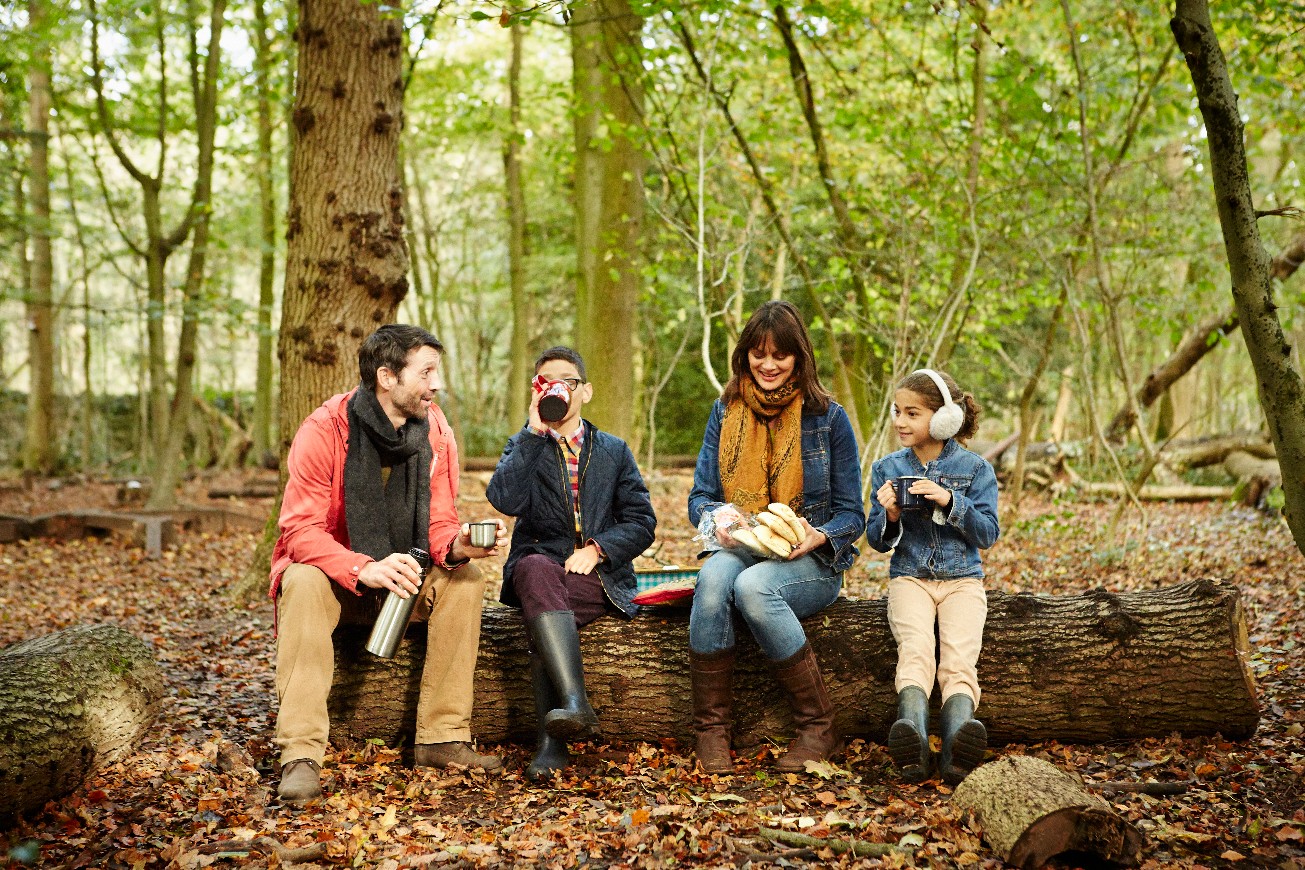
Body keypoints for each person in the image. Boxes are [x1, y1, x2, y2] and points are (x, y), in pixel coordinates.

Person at [270, 324, 506, 806]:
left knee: (466, 580)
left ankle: (441, 737)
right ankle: (300, 753)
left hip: (408, 575)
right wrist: (362, 568)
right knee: (300, 577)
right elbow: (299, 532)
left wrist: (459, 546)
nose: (435, 383)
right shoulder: (325, 429)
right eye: (426, 372)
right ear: (386, 377)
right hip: (339, 581)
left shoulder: (436, 429)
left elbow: (440, 521)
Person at [686, 301, 866, 775]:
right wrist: (718, 518)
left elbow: (853, 514)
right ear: (744, 355)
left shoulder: (829, 418)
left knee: (753, 587)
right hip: (743, 546)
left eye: (780, 355)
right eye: (758, 354)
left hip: (810, 562)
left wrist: (820, 535)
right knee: (711, 583)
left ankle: (818, 726)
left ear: (799, 358)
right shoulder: (725, 411)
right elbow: (701, 496)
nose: (768, 365)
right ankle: (711, 731)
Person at [486, 346, 657, 781]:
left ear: (586, 392)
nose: (558, 388)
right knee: (536, 571)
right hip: (539, 570)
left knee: (542, 608)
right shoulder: (525, 444)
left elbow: (642, 522)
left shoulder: (614, 451)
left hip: (598, 580)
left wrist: (597, 549)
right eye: (546, 381)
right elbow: (503, 499)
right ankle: (575, 705)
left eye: (568, 381)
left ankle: (553, 740)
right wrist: (531, 433)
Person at [866, 368, 1000, 786]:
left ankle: (959, 745)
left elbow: (988, 533)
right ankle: (914, 742)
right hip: (910, 577)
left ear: (943, 419)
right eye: (896, 412)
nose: (900, 422)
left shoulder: (975, 469)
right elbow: (876, 541)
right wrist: (889, 515)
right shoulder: (886, 467)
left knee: (959, 660)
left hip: (963, 581)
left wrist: (949, 500)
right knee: (917, 649)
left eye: (912, 413)